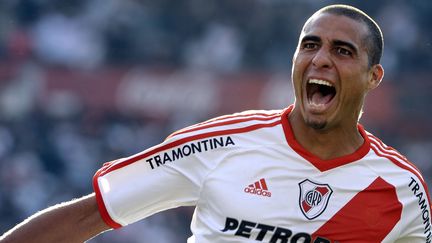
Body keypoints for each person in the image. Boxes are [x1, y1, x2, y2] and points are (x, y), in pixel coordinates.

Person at [1, 4, 431, 243]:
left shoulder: (403, 190)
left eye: (342, 51)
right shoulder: (220, 143)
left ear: (374, 77)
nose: (320, 59)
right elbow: (86, 217)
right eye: (310, 45)